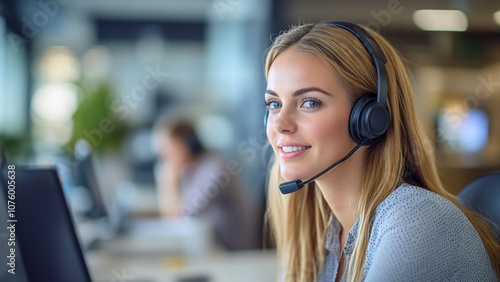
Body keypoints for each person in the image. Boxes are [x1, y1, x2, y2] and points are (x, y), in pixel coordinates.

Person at [263, 21, 500, 281]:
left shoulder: (418, 218)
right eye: (274, 103)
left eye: (310, 102)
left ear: (369, 118)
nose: (279, 124)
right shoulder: (322, 233)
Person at [152, 117, 260, 250]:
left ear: (185, 144)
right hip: (214, 247)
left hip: (235, 253)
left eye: (166, 149)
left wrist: (167, 183)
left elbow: (179, 220)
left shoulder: (215, 170)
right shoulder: (190, 170)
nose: (163, 157)